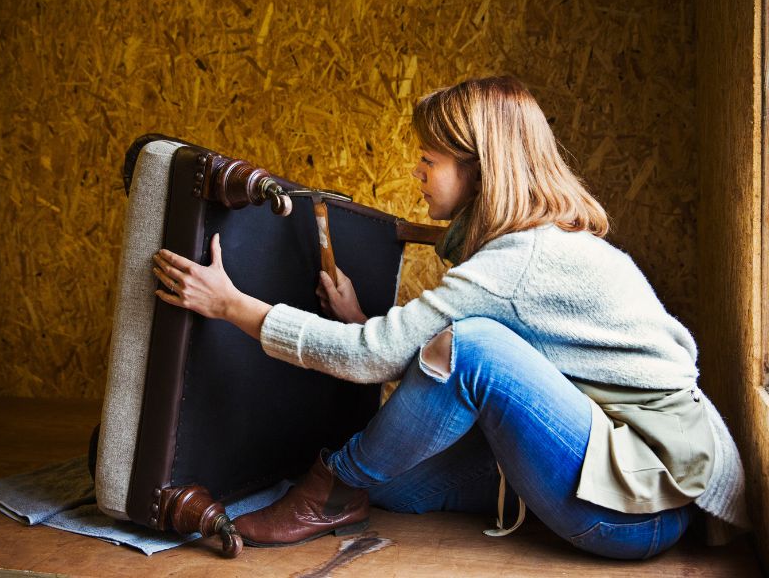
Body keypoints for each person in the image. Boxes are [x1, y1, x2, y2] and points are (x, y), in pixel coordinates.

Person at [151, 75, 749, 560]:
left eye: (428, 159)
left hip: (633, 509)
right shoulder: (533, 247)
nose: (417, 172)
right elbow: (444, 372)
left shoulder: (523, 259)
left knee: (473, 346)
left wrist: (231, 304)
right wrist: (365, 316)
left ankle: (328, 488)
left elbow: (388, 357)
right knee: (391, 481)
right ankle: (351, 484)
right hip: (620, 475)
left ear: (479, 169)